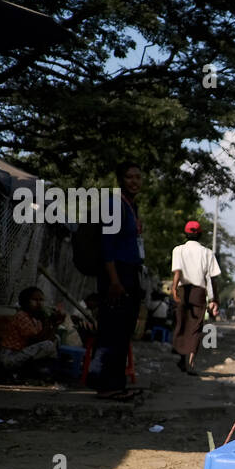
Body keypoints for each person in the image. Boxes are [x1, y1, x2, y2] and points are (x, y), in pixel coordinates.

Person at [91, 160, 144, 400]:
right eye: (129, 177)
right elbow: (107, 246)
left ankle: (116, 384)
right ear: (121, 180)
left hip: (129, 273)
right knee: (112, 331)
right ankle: (107, 386)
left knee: (123, 332)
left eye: (138, 177)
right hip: (116, 275)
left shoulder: (130, 205)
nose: (134, 181)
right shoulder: (114, 204)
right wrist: (114, 281)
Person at [171, 220, 222, 375]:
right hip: (199, 292)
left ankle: (181, 357)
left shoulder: (178, 250)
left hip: (182, 291)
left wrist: (174, 288)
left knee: (181, 323)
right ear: (200, 234)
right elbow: (211, 279)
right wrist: (214, 300)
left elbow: (177, 272)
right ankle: (191, 361)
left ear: (185, 234)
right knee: (195, 327)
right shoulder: (207, 252)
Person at [0, 286, 61, 371]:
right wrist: (48, 321)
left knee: (56, 338)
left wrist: (55, 324)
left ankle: (44, 368)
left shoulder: (34, 318)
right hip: (11, 357)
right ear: (25, 302)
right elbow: (36, 341)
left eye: (41, 300)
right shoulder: (21, 316)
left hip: (22, 354)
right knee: (48, 345)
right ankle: (34, 369)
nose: (39, 303)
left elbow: (47, 337)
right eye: (35, 300)